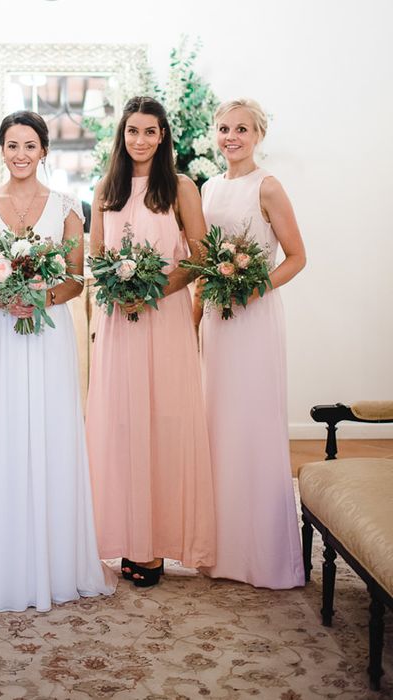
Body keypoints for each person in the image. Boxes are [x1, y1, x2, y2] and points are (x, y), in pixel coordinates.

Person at [0, 110, 116, 612]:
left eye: (30, 145)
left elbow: (76, 279)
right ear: (1, 150)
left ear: (44, 151)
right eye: (12, 145)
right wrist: (2, 300)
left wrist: (39, 296)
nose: (20, 154)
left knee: (48, 431)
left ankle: (55, 560)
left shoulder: (66, 206)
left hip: (47, 334)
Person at [86, 96, 216, 587]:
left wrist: (153, 290)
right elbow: (96, 257)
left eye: (150, 132)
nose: (140, 140)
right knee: (121, 423)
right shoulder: (106, 188)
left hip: (164, 321)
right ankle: (127, 534)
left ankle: (159, 543)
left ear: (163, 138)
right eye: (132, 131)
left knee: (165, 420)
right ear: (122, 136)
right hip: (120, 321)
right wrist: (118, 290)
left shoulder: (180, 188)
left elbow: (200, 258)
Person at [198, 98, 306, 589]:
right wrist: (199, 311)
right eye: (224, 128)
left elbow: (296, 257)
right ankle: (219, 549)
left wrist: (252, 290)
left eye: (242, 128)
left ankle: (261, 553)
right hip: (216, 322)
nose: (232, 136)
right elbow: (201, 261)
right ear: (214, 134)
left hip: (254, 318)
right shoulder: (208, 187)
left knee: (253, 420)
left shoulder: (269, 186)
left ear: (258, 134)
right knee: (217, 420)